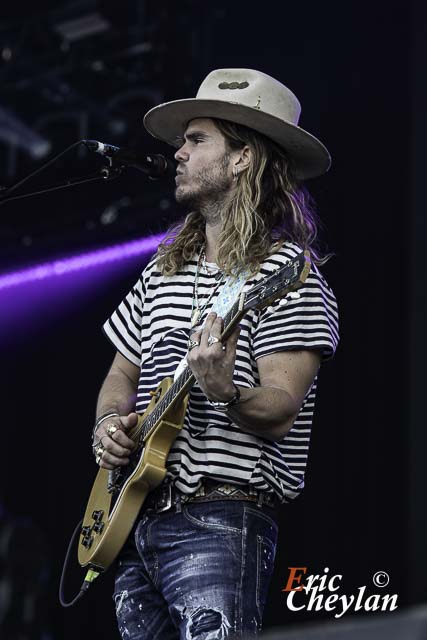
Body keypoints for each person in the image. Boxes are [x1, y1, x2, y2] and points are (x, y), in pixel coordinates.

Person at [92, 68, 339, 639]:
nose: (178, 153)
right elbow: (119, 372)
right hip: (135, 518)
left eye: (196, 139)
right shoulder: (162, 267)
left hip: (222, 518)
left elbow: (280, 407)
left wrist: (224, 390)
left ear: (242, 158)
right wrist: (108, 423)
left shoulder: (288, 275)